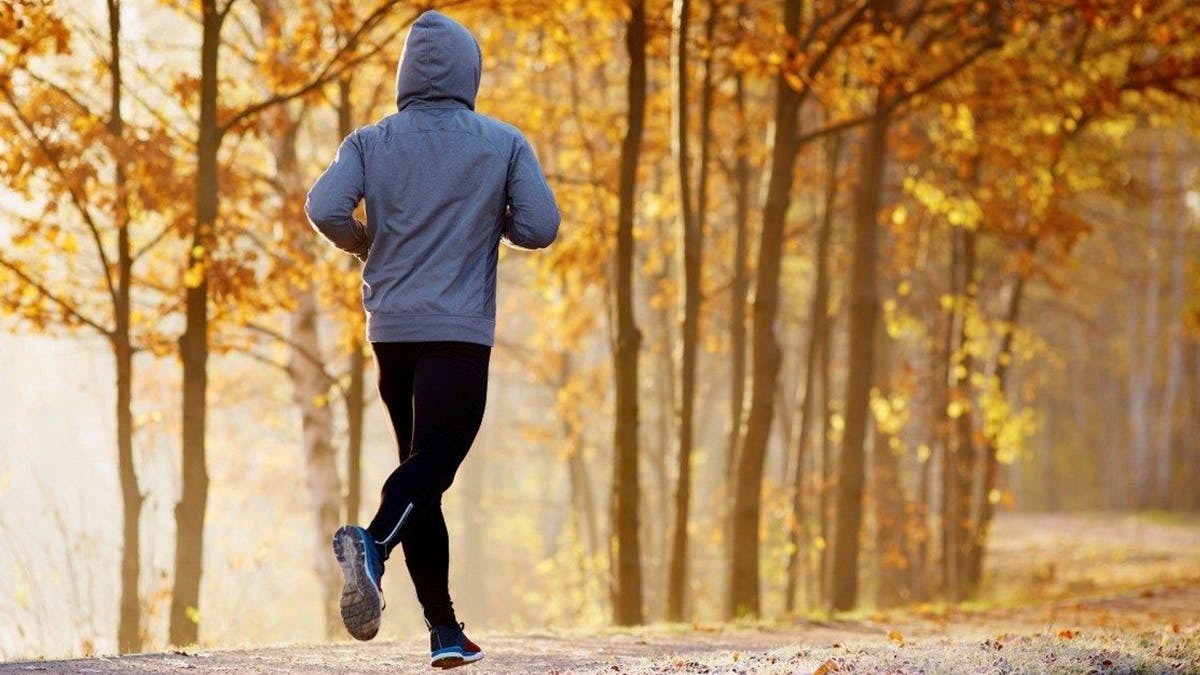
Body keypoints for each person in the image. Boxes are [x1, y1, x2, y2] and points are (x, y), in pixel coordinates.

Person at [304, 9, 559, 669]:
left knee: (421, 477)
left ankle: (445, 629)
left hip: (391, 331)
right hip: (458, 330)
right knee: (430, 469)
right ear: (470, 72)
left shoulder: (370, 141)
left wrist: (365, 244)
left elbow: (324, 207)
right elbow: (540, 226)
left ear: (405, 75)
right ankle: (373, 546)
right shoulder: (502, 143)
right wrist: (490, 214)